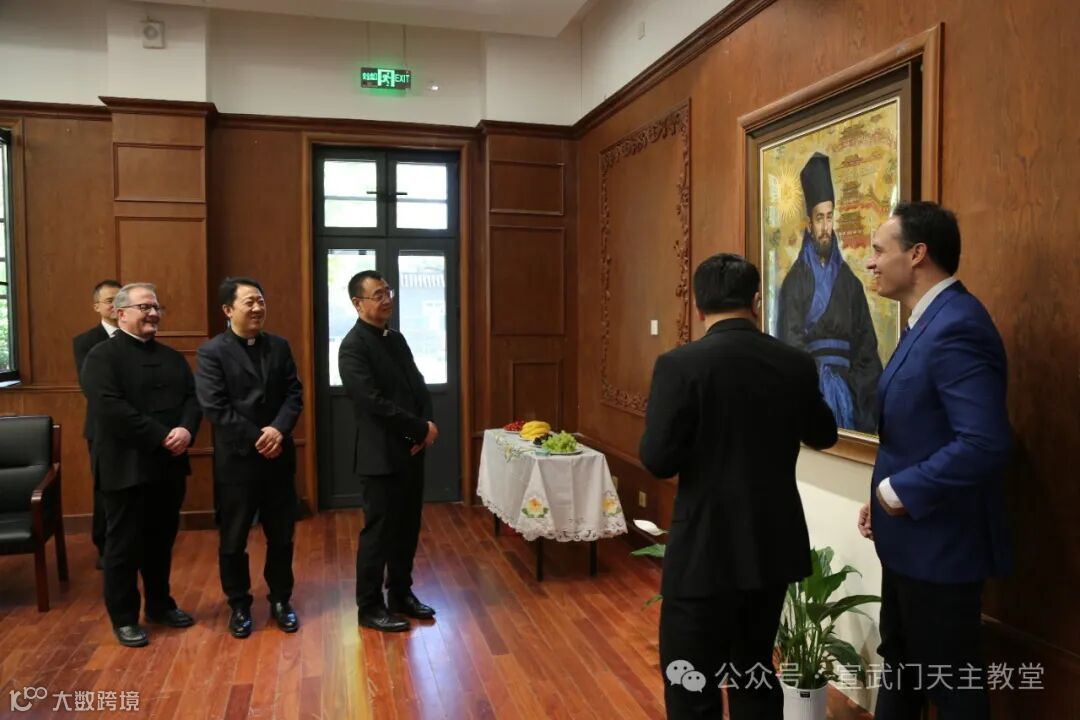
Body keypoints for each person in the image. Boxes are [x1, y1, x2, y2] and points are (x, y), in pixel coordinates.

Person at [640, 253, 838, 719]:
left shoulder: (680, 365)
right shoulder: (794, 363)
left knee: (691, 682)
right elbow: (824, 434)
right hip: (769, 547)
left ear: (698, 306)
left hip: (704, 548)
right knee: (755, 671)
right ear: (755, 301)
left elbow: (657, 459)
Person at [860, 202, 1011, 719]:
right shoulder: (925, 322)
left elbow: (984, 441)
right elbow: (916, 434)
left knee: (951, 686)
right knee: (902, 667)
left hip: (942, 549)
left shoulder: (957, 325)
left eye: (879, 250)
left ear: (917, 254)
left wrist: (900, 491)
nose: (870, 262)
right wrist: (879, 499)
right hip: (910, 541)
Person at [80, 283, 201, 648]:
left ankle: (160, 605)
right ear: (121, 314)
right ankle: (125, 618)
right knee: (123, 547)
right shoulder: (101, 357)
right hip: (125, 467)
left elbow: (192, 398)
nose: (153, 314)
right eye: (145, 307)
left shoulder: (172, 357)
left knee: (161, 542)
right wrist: (162, 436)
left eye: (156, 307)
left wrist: (186, 430)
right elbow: (111, 409)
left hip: (168, 465)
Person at [195, 278, 303, 639]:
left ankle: (281, 600)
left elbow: (294, 394)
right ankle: (239, 604)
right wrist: (260, 437)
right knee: (233, 539)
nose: (258, 308)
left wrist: (278, 430)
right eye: (249, 302)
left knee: (282, 536)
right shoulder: (212, 352)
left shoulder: (279, 346)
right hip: (238, 461)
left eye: (261, 301)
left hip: (278, 458)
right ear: (228, 310)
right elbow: (215, 407)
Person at [338, 270, 438, 633]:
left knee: (407, 529)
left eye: (388, 292)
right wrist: (418, 429)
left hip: (412, 451)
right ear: (357, 303)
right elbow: (373, 403)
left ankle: (400, 594)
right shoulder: (352, 346)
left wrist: (426, 424)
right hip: (380, 456)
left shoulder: (395, 338)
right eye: (377, 295)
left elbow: (418, 385)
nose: (386, 299)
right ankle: (369, 606)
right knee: (378, 534)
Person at [777, 152, 882, 433]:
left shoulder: (851, 283)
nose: (825, 227)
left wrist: (848, 387)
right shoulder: (794, 282)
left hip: (849, 389)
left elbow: (867, 349)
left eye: (829, 217)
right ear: (809, 223)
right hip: (811, 391)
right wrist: (821, 381)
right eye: (819, 218)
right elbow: (790, 344)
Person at [72, 279, 121, 569]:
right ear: (96, 307)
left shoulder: (139, 335)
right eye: (109, 300)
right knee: (105, 489)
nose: (115, 305)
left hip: (140, 427)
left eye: (120, 299)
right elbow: (90, 387)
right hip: (102, 427)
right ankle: (104, 546)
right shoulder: (85, 341)